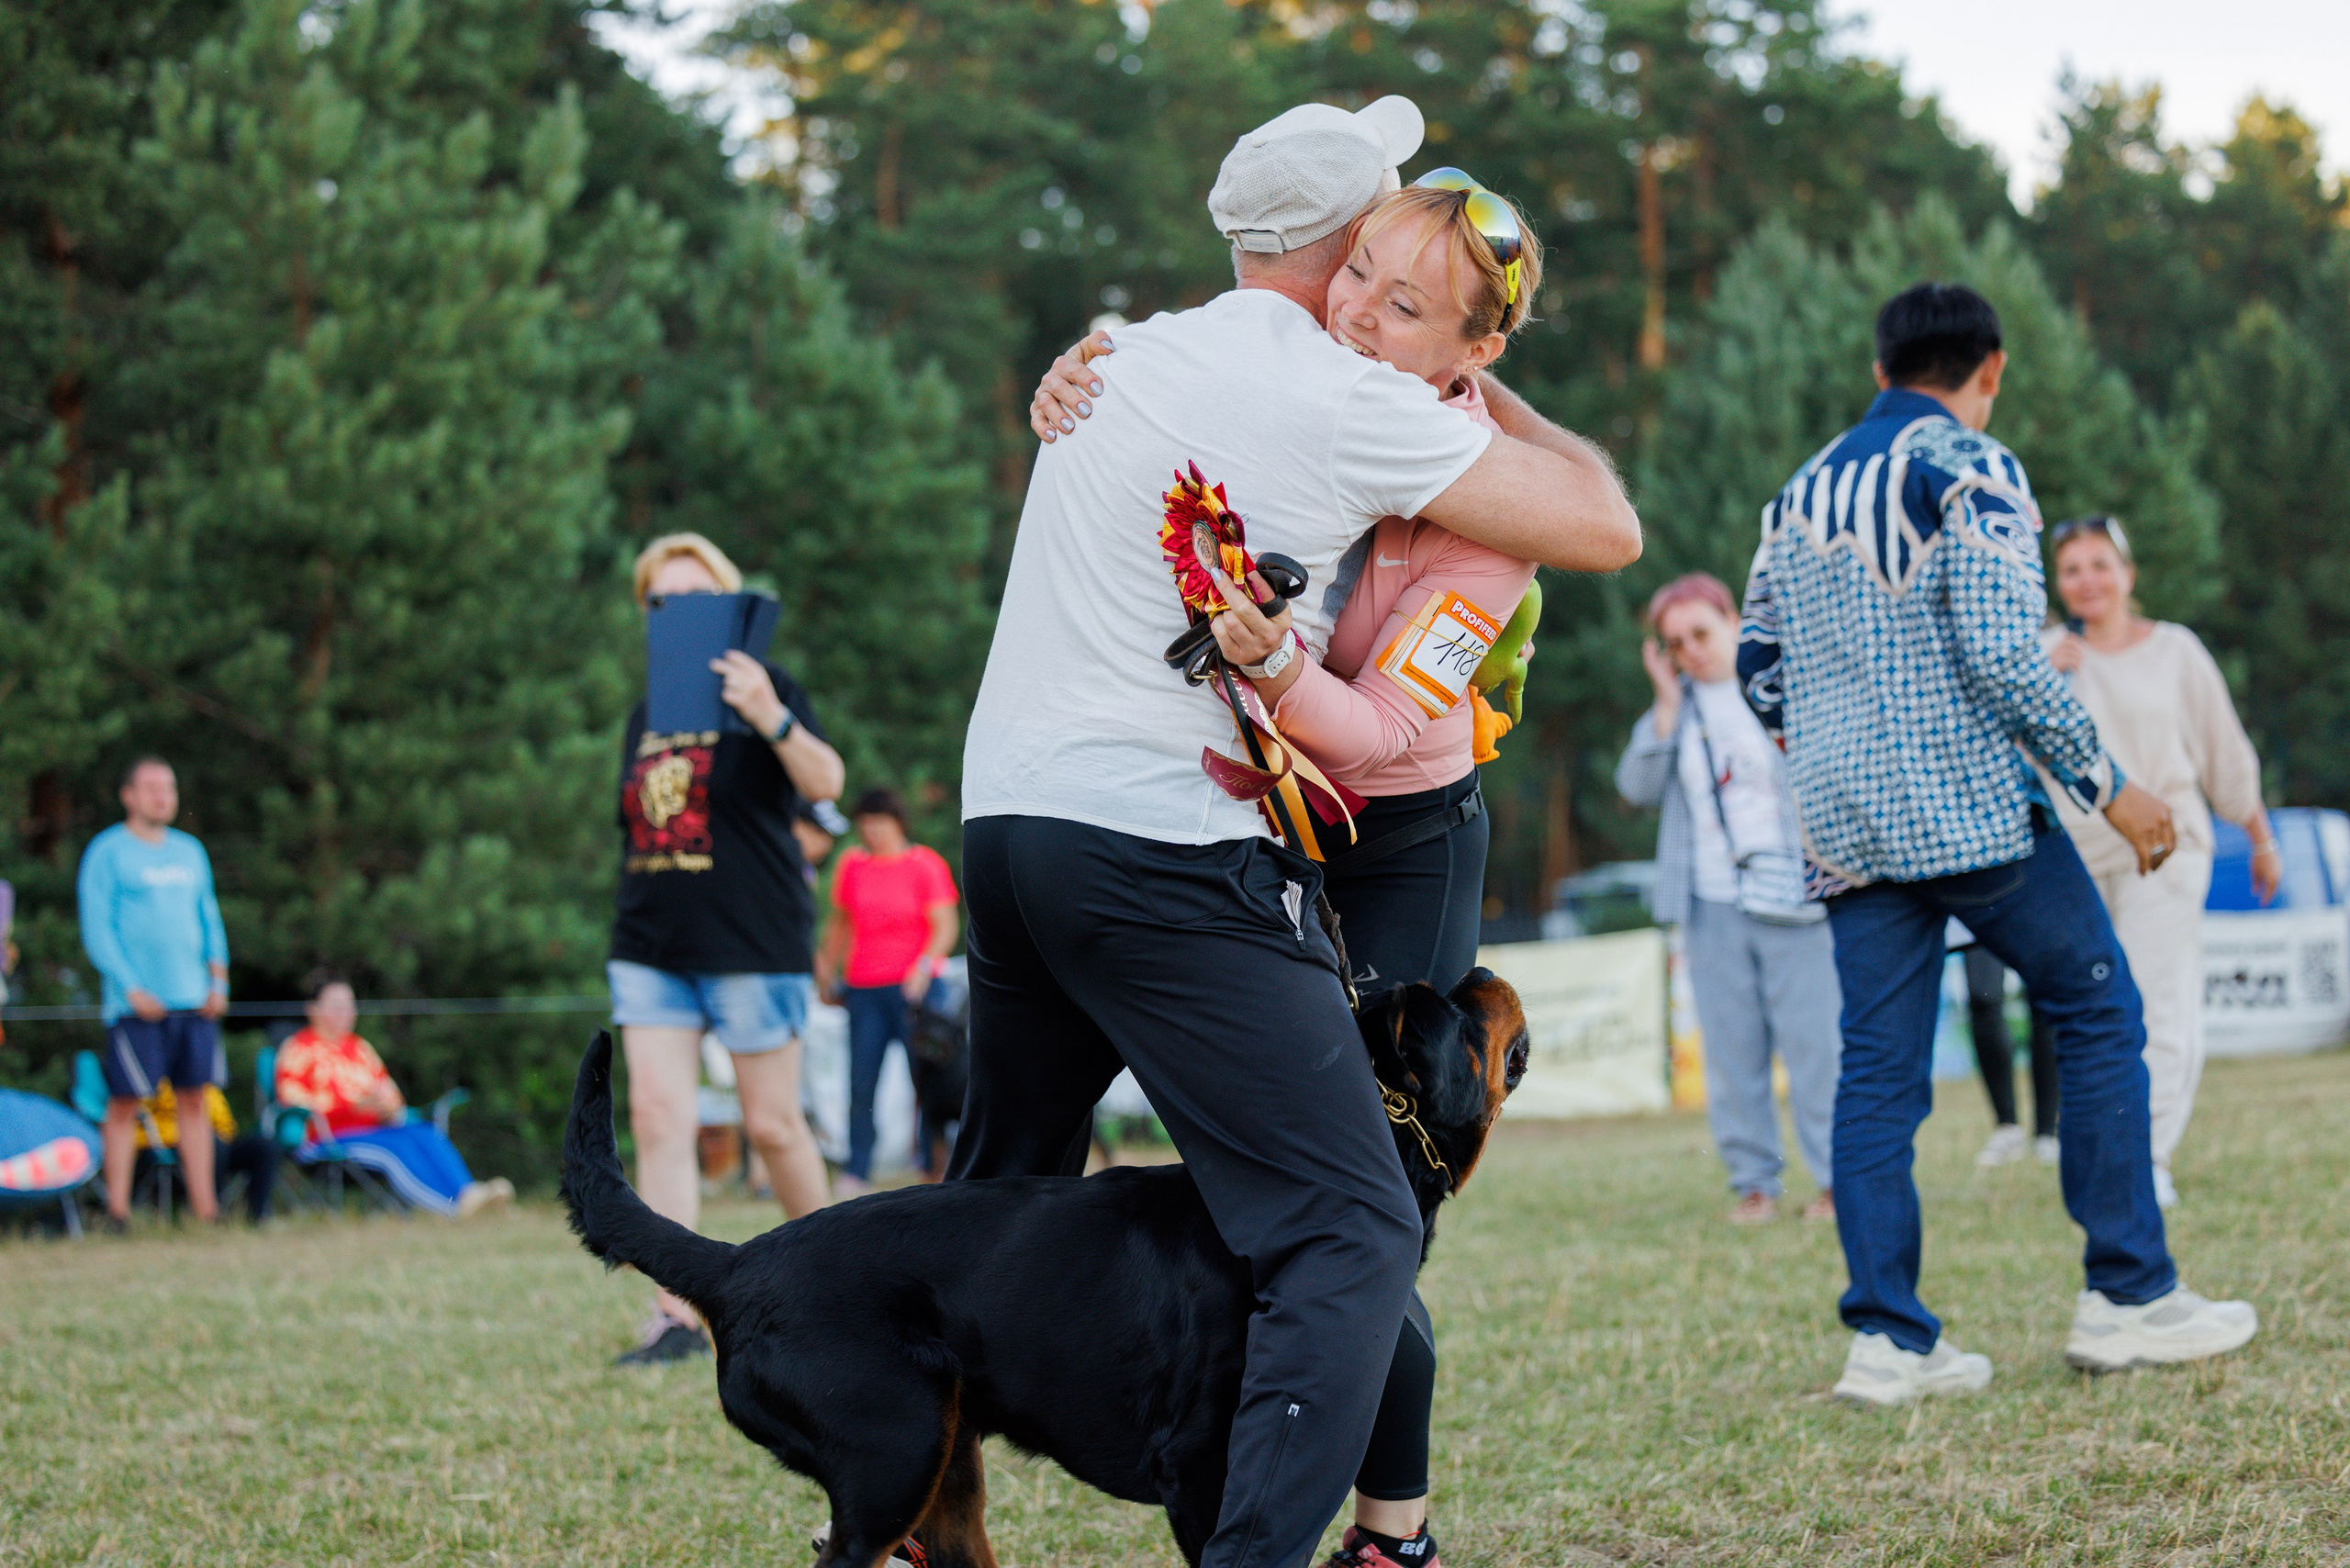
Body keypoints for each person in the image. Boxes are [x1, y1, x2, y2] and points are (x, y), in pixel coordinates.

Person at [954, 94, 1639, 1568]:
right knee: (1340, 1226)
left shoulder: (1146, 355)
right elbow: (1604, 524)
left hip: (1086, 820)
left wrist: (1464, 385)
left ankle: (1384, 1531)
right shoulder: (1300, 386)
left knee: (1026, 1194)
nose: (1375, 303)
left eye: (1413, 298)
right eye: (1372, 267)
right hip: (1180, 836)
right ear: (1338, 248)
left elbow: (1575, 554)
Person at [1738, 281, 2255, 1405]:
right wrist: (2107, 782)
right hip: (1967, 806)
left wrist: (1830, 759)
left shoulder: (1794, 494)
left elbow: (1755, 666)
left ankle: (1889, 1338)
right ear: (1992, 370)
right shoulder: (1969, 467)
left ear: (1879, 371)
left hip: (1842, 820)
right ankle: (2128, 1295)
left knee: (1876, 1073)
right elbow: (2004, 651)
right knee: (2098, 1002)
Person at [607, 532, 846, 1363]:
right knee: (659, 1118)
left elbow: (826, 785)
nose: (679, 613)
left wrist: (767, 715)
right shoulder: (647, 713)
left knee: (774, 1125)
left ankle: (836, 1290)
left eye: (697, 596)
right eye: (662, 600)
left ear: (731, 606)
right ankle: (678, 1313)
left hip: (751, 939)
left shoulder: (768, 687)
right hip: (651, 942)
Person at [2040, 514, 2273, 1208]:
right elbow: (2010, 753)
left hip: (2166, 849)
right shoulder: (2042, 657)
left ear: (2127, 574)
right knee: (2097, 1014)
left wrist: (2259, 834)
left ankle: (2148, 1159)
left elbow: (2223, 748)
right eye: (2073, 568)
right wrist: (2039, 677)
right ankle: (2106, 1153)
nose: (2088, 580)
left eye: (2100, 564)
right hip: (2076, 858)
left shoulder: (2174, 650)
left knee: (2158, 1003)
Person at [1616, 573, 1841, 1226]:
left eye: (1701, 634)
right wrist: (1662, 705)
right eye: (1675, 642)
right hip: (1710, 901)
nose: (1691, 651)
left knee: (1815, 1048)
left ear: (1734, 621)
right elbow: (1636, 783)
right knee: (1732, 1051)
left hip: (1796, 896)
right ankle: (1755, 1185)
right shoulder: (1676, 710)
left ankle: (1832, 1183)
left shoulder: (1783, 689)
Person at [78, 757, 229, 1228]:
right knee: (124, 1104)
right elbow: (97, 928)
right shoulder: (108, 851)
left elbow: (210, 919)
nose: (162, 797)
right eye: (151, 788)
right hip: (137, 1007)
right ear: (129, 795)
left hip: (194, 1001)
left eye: (168, 787)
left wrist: (218, 980)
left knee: (194, 1100)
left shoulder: (189, 852)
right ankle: (117, 1211)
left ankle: (207, 1210)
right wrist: (131, 988)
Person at [813, 787, 960, 1192]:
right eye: (866, 824)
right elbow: (839, 923)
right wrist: (825, 969)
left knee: (927, 1082)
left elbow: (945, 925)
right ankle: (857, 1167)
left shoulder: (924, 864)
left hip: (915, 993)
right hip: (863, 989)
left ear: (897, 823)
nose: (873, 831)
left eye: (880, 822)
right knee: (861, 1082)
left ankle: (932, 1165)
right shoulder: (853, 865)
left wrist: (924, 966)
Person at [274, 974, 513, 1217]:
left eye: (350, 1004)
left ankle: (470, 1193)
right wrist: (354, 1107)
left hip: (375, 1129)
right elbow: (295, 1104)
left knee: (425, 1133)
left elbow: (391, 1095)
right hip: (328, 1139)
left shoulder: (360, 1048)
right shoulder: (297, 1049)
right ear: (312, 1010)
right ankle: (452, 1209)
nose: (346, 1012)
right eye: (337, 1005)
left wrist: (386, 1107)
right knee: (396, 1148)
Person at [1959, 940, 2059, 1167]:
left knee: (2046, 1001)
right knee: (1982, 996)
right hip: (1977, 905)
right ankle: (2007, 1127)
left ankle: (2047, 1133)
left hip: (2039, 905)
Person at [138, 1081, 278, 1224]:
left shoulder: (203, 1081)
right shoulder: (152, 1080)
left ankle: (258, 1216)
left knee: (264, 1146)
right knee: (212, 1144)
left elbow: (225, 1123)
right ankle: (211, 1213)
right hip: (169, 1145)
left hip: (219, 1142)